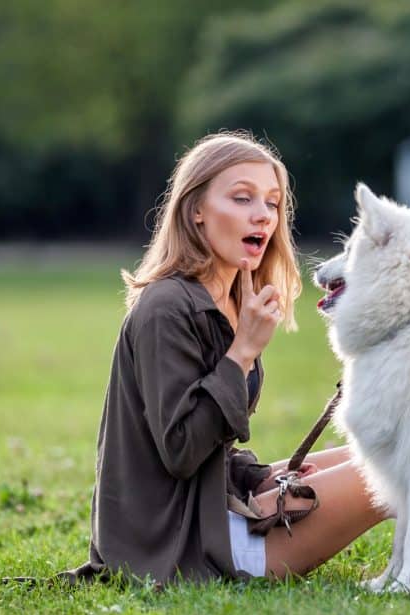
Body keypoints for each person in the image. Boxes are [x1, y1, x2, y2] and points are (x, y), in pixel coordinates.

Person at [65, 132, 384, 585]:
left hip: (209, 511)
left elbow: (207, 450)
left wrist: (257, 478)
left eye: (272, 203)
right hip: (181, 548)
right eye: (242, 198)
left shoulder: (229, 298)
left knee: (372, 455)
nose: (263, 215)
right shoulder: (165, 307)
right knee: (394, 473)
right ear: (195, 210)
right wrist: (243, 352)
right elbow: (179, 451)